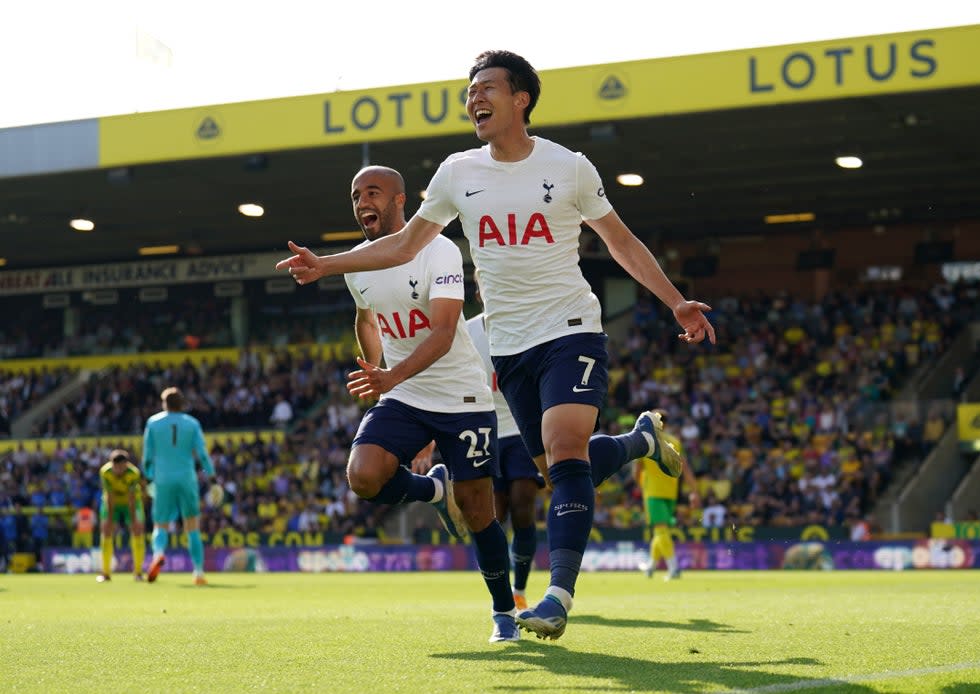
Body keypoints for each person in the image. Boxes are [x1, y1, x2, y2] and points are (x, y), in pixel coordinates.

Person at [276, 50, 715, 640]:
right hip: (509, 346)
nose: (474, 99)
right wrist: (327, 264)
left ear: (521, 99)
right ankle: (638, 441)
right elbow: (406, 245)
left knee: (563, 450)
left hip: (569, 327)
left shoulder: (570, 168)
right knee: (557, 470)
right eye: (469, 92)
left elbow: (620, 241)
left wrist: (675, 300)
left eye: (486, 88)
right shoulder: (458, 173)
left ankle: (557, 596)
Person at [341, 165, 518, 643]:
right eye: (356, 196)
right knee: (363, 476)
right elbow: (366, 317)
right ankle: (432, 490)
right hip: (404, 393)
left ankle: (504, 611)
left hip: (460, 395)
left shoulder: (439, 248)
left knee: (479, 509)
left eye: (372, 193)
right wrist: (375, 367)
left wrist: (389, 375)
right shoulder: (359, 263)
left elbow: (443, 333)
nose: (362, 204)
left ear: (400, 200)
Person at [465, 270, 545, 612]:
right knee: (494, 515)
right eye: (485, 285)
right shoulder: (466, 332)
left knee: (523, 502)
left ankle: (520, 588)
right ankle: (500, 595)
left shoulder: (528, 325)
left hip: (523, 428)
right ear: (480, 291)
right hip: (486, 430)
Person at [142, 387, 215, 586]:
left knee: (160, 524)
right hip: (186, 477)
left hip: (162, 478)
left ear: (164, 404)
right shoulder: (192, 424)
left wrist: (149, 478)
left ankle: (158, 554)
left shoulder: (154, 423)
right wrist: (213, 477)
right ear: (182, 403)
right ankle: (198, 572)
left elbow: (147, 456)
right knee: (192, 525)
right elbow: (202, 453)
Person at [634, 415, 700, 581]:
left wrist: (642, 486)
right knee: (661, 530)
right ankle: (651, 566)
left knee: (660, 530)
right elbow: (685, 468)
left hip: (653, 492)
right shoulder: (675, 442)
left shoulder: (645, 440)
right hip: (671, 493)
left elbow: (637, 470)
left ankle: (674, 568)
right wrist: (694, 491)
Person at [96, 449, 146, 582]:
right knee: (106, 531)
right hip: (112, 502)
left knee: (137, 530)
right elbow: (110, 496)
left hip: (132, 502)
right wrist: (111, 520)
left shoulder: (133, 473)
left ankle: (138, 572)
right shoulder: (105, 472)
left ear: (126, 464)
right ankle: (105, 573)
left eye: (121, 467)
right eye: (116, 467)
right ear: (112, 464)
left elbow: (131, 498)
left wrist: (134, 519)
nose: (119, 470)